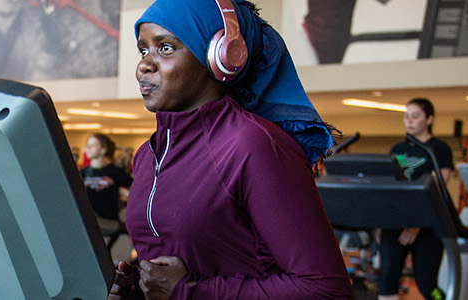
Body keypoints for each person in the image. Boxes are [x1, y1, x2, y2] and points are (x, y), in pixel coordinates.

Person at [112, 0, 351, 299]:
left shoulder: (254, 146)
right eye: (143, 49)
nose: (144, 65)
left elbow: (326, 289)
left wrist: (192, 292)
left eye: (166, 48)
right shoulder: (148, 156)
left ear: (220, 58)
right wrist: (135, 288)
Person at [377, 97, 454, 300]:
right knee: (386, 280)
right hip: (397, 222)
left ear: (429, 119)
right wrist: (379, 223)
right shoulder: (397, 150)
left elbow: (437, 188)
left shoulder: (439, 148)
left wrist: (416, 225)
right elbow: (390, 188)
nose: (409, 121)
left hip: (427, 224)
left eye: (415, 116)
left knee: (428, 285)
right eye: (406, 116)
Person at [81, 133, 133, 238]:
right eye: (87, 145)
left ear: (103, 149)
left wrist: (127, 195)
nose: (88, 149)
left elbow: (135, 190)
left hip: (108, 223)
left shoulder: (115, 172)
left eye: (92, 146)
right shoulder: (83, 173)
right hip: (89, 222)